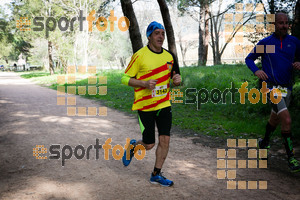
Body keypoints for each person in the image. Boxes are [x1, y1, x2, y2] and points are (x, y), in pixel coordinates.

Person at [121, 21, 181, 186]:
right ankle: (134, 147)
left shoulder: (169, 56)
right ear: (149, 36)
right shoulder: (140, 55)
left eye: (163, 33)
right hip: (144, 106)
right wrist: (144, 84)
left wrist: (177, 80)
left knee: (165, 140)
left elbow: (176, 77)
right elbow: (124, 78)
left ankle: (156, 173)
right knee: (149, 144)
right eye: (157, 33)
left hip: (164, 105)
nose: (161, 36)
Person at [245, 12, 300, 172]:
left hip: (287, 88)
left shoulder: (294, 42)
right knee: (287, 120)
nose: (284, 25)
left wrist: (298, 62)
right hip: (270, 87)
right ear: (274, 25)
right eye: (280, 23)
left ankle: (264, 143)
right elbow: (249, 58)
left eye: (286, 23)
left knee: (275, 119)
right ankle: (291, 158)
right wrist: (256, 71)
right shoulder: (267, 43)